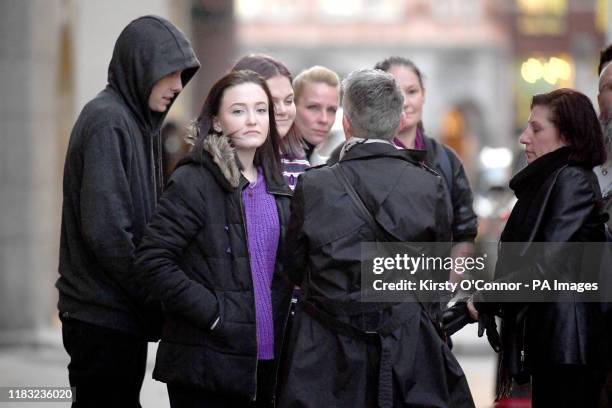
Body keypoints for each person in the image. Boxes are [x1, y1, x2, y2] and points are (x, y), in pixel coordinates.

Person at [277, 69, 474, 408]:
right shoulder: (429, 185)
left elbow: (294, 265)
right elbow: (437, 276)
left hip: (326, 355)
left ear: (347, 123)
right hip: (406, 351)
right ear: (398, 121)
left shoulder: (315, 185)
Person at [56, 15, 199, 407]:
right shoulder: (108, 120)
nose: (176, 85)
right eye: (169, 72)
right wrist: (153, 293)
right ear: (140, 65)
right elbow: (107, 231)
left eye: (182, 74)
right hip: (101, 315)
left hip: (118, 313)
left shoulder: (140, 124)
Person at [134, 70, 293, 407]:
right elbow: (152, 260)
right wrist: (214, 314)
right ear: (217, 122)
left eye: (261, 110)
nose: (252, 120)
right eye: (238, 111)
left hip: (266, 360)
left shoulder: (277, 186)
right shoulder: (196, 181)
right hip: (207, 360)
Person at [468, 89, 608, 407]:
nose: (524, 138)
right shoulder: (552, 181)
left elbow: (546, 268)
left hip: (569, 350)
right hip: (556, 347)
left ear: (568, 135)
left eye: (537, 128)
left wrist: (487, 297)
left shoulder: (571, 181)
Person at [374, 56, 478, 282]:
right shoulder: (356, 157)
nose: (405, 102)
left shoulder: (447, 160)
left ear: (424, 95)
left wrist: (449, 282)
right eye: (395, 92)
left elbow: (465, 231)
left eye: (412, 91)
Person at [232, 54, 309, 190]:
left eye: (289, 101)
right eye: (272, 102)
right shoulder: (219, 165)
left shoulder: (298, 162)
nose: (283, 110)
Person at [293, 65, 340, 161]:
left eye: (331, 110)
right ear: (292, 106)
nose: (324, 119)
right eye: (313, 107)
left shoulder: (326, 167)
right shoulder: (266, 163)